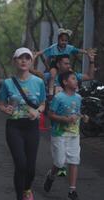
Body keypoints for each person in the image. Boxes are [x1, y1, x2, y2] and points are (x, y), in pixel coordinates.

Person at [0, 47, 46, 200]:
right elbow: (1, 103)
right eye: (20, 58)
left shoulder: (38, 82)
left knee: (30, 168)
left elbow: (43, 103)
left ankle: (27, 189)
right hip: (14, 127)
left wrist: (37, 112)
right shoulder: (8, 83)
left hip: (32, 127)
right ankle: (20, 197)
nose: (24, 60)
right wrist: (6, 109)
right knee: (21, 164)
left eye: (27, 58)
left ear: (31, 61)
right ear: (15, 61)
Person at [44, 71, 85, 200]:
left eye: (76, 78)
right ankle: (51, 176)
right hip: (59, 134)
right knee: (60, 162)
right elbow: (50, 114)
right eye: (73, 78)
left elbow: (77, 113)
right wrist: (64, 119)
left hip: (74, 134)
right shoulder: (59, 97)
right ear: (65, 82)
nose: (76, 80)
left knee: (74, 160)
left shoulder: (78, 98)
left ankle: (72, 191)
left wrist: (83, 117)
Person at [34, 28, 95, 97]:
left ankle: (75, 90)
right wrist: (36, 54)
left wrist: (87, 53)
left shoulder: (69, 48)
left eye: (66, 41)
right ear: (58, 40)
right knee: (53, 74)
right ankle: (50, 91)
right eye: (62, 40)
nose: (64, 42)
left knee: (72, 75)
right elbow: (44, 51)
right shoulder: (53, 47)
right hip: (54, 64)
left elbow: (78, 50)